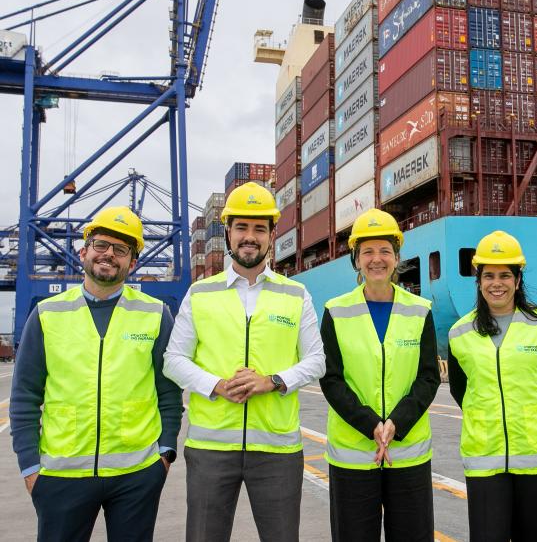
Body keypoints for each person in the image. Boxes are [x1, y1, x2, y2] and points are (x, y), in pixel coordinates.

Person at [163, 182, 325, 542]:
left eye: (259, 229)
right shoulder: (200, 293)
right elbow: (173, 360)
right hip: (210, 449)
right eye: (241, 227)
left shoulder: (295, 294)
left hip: (277, 449)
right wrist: (218, 386)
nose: (249, 237)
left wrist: (272, 381)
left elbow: (317, 360)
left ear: (271, 235)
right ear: (228, 232)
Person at [10, 206, 182, 541]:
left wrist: (165, 454)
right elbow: (24, 397)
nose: (109, 255)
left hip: (137, 474)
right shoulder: (47, 314)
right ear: (83, 251)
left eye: (121, 249)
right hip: (61, 475)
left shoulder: (155, 314)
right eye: (101, 245)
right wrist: (31, 468)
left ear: (133, 262)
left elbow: (169, 393)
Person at [319, 208, 440, 541]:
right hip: (353, 457)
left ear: (397, 257)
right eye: (368, 251)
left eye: (385, 250)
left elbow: (428, 377)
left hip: (408, 455)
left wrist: (397, 422)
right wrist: (370, 424)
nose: (377, 259)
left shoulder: (420, 310)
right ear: (356, 259)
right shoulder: (335, 311)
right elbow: (331, 379)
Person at [447, 230, 537, 542]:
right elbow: (459, 389)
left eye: (505, 275)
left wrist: (535, 414)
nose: (497, 283)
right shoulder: (460, 333)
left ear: (518, 280)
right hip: (485, 460)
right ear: (478, 281)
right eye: (489, 275)